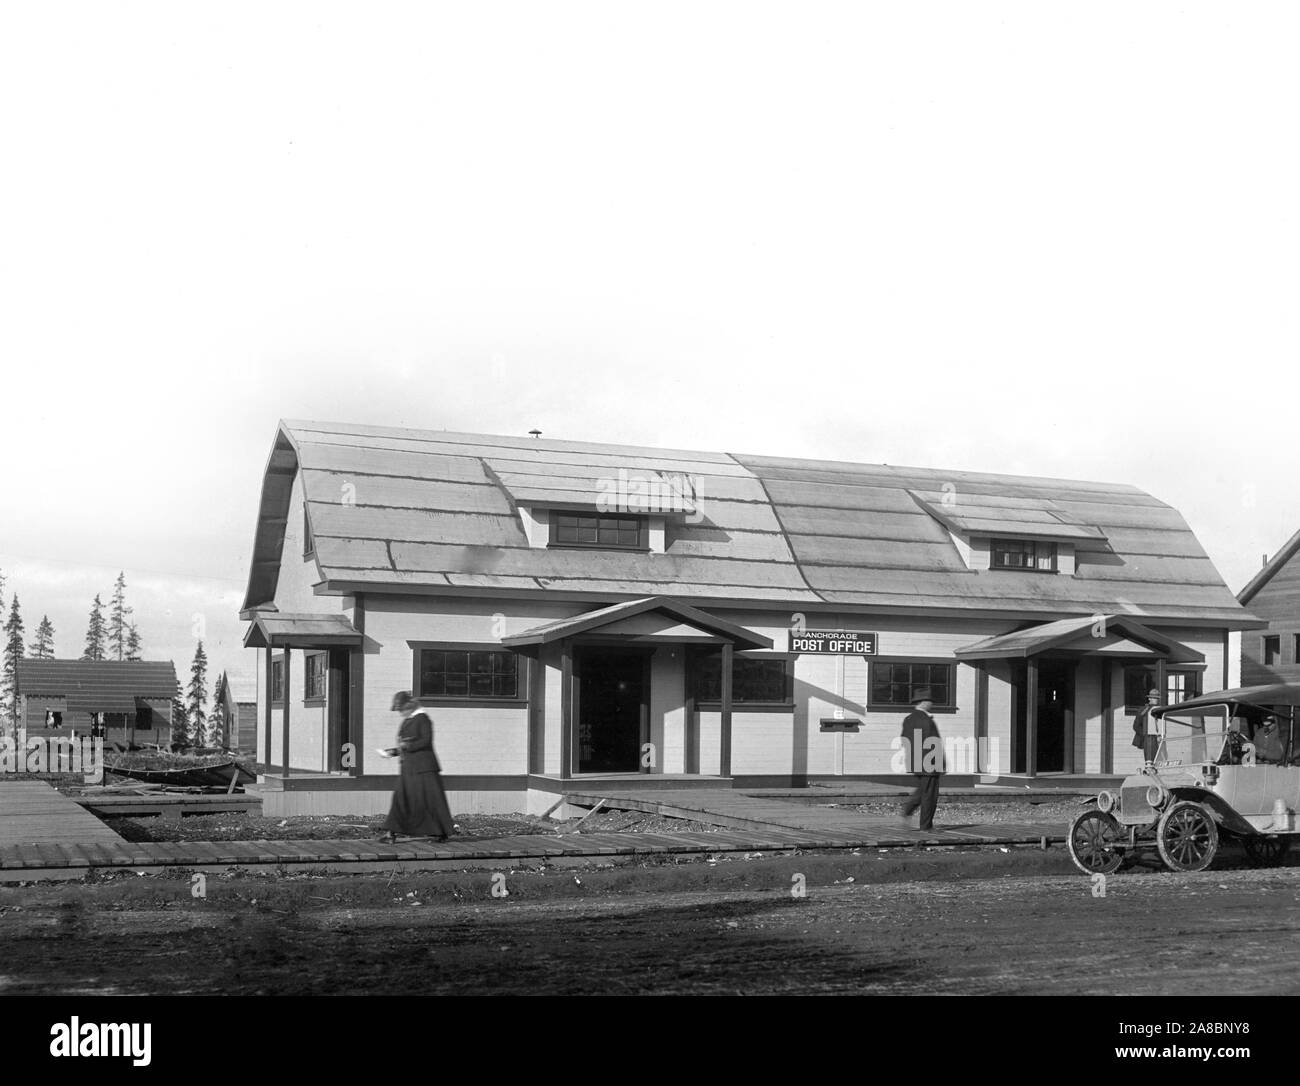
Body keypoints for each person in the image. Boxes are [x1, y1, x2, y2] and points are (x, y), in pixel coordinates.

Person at [379, 691, 457, 843]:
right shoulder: (407, 721)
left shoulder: (423, 719)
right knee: (401, 799)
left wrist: (407, 745)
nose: (400, 713)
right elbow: (405, 745)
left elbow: (425, 741)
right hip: (409, 769)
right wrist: (393, 752)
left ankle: (440, 832)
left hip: (424, 769)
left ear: (409, 706)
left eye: (401, 709)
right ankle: (391, 833)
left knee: (431, 800)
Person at [899, 688, 944, 831]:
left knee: (922, 790)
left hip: (915, 761)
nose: (931, 703)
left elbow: (904, 739)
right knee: (930, 795)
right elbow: (932, 742)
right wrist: (939, 762)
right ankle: (926, 826)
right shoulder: (926, 720)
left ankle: (907, 811)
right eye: (929, 701)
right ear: (923, 702)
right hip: (929, 762)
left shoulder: (909, 718)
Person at [1131, 688, 1161, 763]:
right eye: (1154, 698)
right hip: (1149, 737)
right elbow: (1136, 725)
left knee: (1160, 760)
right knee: (1150, 761)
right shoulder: (1144, 710)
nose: (1156, 700)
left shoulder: (1160, 709)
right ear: (1149, 698)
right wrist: (1145, 735)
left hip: (1159, 737)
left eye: (1157, 698)